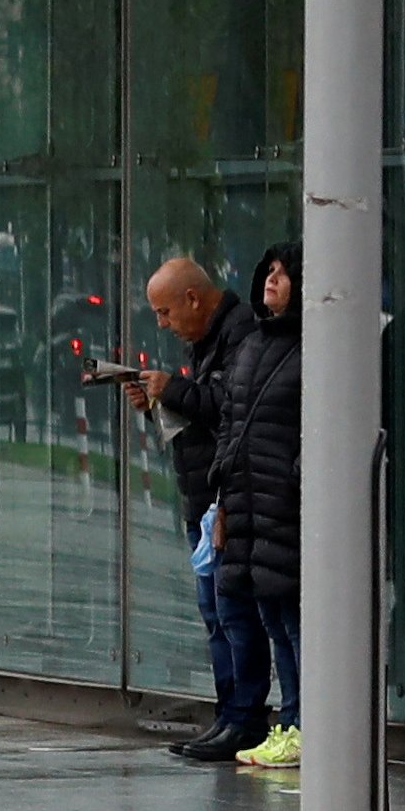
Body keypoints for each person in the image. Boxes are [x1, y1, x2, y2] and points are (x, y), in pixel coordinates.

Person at [127, 257, 268, 763]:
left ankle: (245, 717)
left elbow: (231, 408)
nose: (162, 324)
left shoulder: (240, 332)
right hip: (203, 497)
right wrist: (157, 402)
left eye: (165, 312)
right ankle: (229, 712)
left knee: (233, 611)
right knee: (215, 611)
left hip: (224, 497)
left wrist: (176, 390)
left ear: (193, 299)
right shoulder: (207, 340)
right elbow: (203, 412)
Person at [182, 244, 307, 770]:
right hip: (247, 504)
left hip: (285, 507)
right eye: (268, 272)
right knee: (272, 617)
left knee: (297, 622)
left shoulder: (315, 347)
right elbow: (232, 424)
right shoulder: (255, 346)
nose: (272, 281)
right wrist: (223, 498)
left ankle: (304, 723)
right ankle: (287, 722)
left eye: (283, 274)